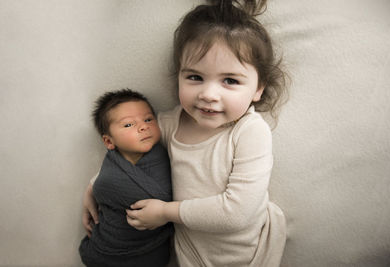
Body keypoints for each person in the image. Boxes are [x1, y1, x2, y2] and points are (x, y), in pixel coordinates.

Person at [83, 0, 288, 266]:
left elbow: (238, 212)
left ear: (258, 89)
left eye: (230, 81)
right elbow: (131, 153)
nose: (208, 95)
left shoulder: (249, 131)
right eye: (194, 77)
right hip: (189, 252)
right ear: (178, 75)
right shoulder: (168, 124)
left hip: (245, 255)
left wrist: (167, 212)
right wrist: (94, 186)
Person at [79, 89, 173, 267]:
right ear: (109, 142)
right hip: (110, 249)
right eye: (128, 125)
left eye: (148, 119)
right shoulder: (110, 175)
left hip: (149, 252)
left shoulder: (163, 152)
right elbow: (103, 186)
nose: (143, 126)